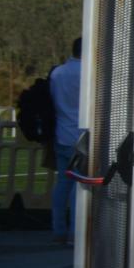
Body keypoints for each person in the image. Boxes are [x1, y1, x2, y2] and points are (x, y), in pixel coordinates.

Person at [49, 38, 83, 245]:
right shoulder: (88, 73)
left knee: (62, 183)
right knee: (79, 186)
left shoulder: (57, 73)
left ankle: (58, 230)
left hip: (61, 133)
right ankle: (75, 232)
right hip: (80, 136)